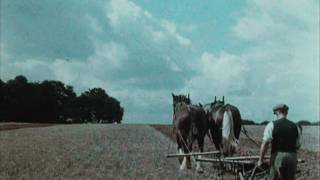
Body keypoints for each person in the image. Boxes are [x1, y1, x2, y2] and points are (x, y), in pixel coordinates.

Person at [258, 104, 301, 180]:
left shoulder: (271, 125)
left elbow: (265, 144)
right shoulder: (295, 126)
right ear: (286, 113)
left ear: (277, 113)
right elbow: (297, 145)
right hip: (292, 156)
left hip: (278, 157)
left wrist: (260, 160)